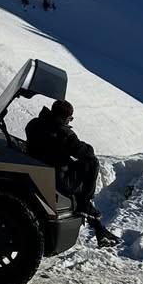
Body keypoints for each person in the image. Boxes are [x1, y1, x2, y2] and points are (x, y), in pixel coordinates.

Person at [25, 99, 119, 247]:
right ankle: (88, 207)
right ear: (64, 118)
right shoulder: (63, 133)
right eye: (70, 118)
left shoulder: (34, 124)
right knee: (91, 164)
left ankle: (100, 231)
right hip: (59, 178)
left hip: (39, 168)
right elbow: (84, 152)